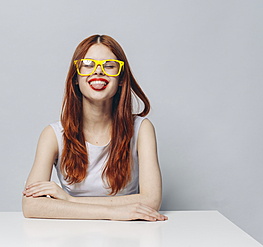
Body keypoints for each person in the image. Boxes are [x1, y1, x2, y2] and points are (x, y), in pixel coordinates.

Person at [22, 34, 168, 221]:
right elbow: (31, 206)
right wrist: (112, 213)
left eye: (109, 66)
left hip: (130, 232)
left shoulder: (142, 129)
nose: (98, 72)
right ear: (76, 78)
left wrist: (69, 201)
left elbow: (151, 200)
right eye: (88, 65)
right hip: (72, 234)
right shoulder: (53, 135)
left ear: (121, 79)